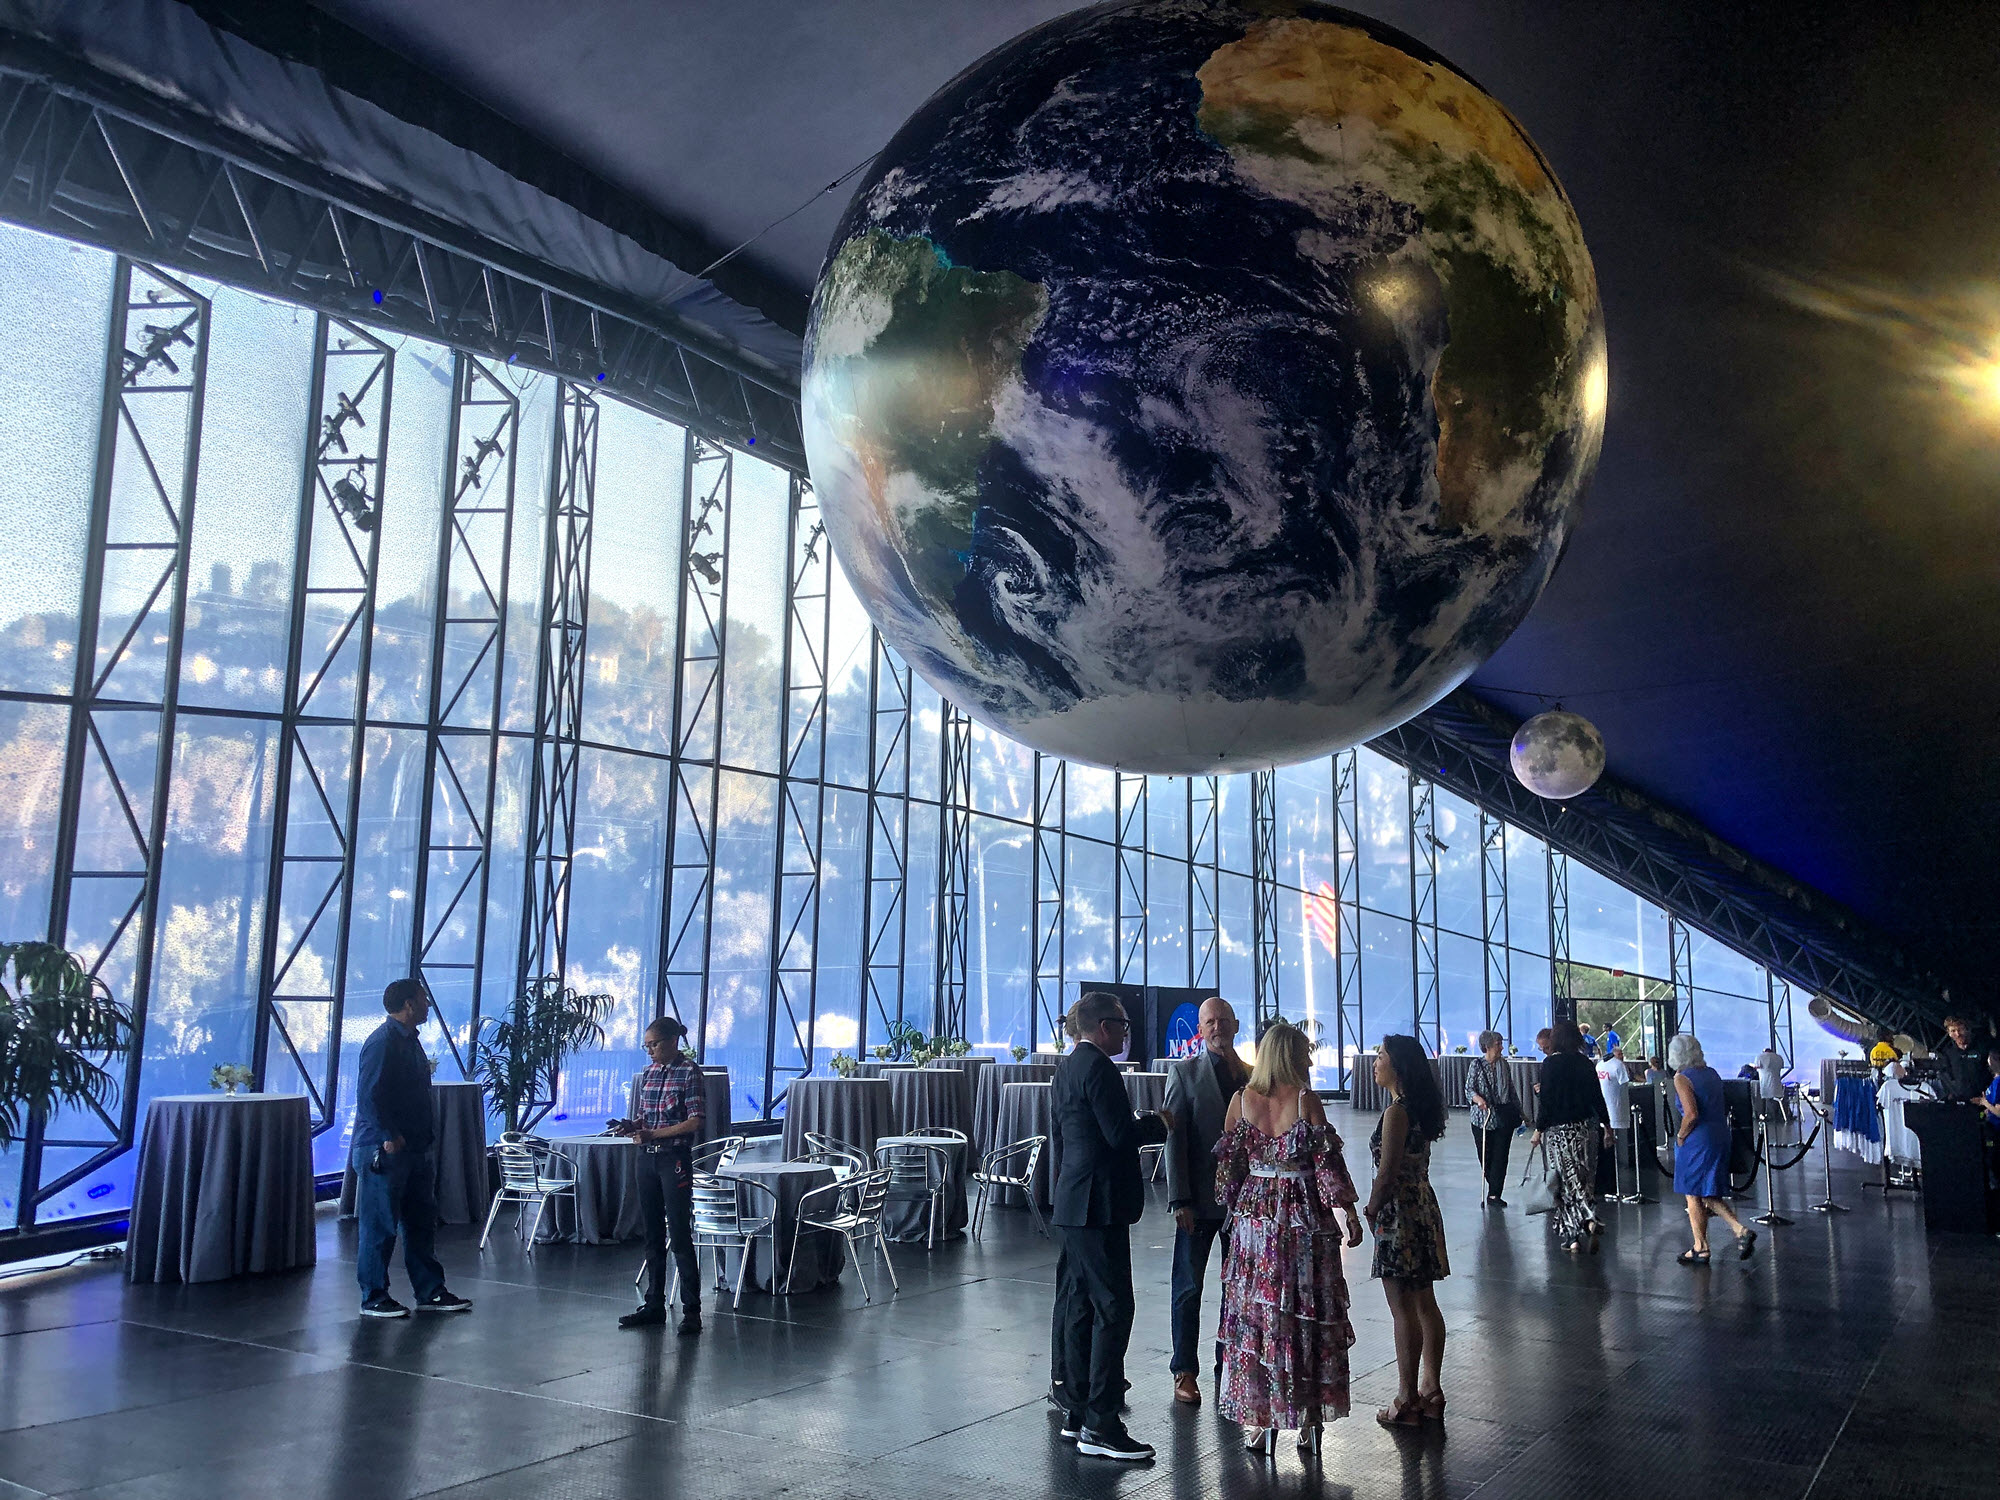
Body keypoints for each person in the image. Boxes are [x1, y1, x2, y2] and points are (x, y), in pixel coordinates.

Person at [1214, 1021, 1362, 1458]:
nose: (1310, 1061)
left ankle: (1261, 1420)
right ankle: (1308, 1419)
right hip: (1301, 1222)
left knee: (1260, 1320)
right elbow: (1328, 1167)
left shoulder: (1241, 1102)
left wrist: (1236, 1209)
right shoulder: (1305, 1100)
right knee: (1305, 1315)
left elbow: (1228, 1171)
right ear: (1289, 1056)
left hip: (1256, 1221)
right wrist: (1349, 1212)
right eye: (1304, 1053)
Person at [1050, 991, 1174, 1461]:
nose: (1127, 1031)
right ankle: (1101, 1421)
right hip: (1098, 1205)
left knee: (1081, 1307)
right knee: (1115, 1307)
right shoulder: (1100, 1068)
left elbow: (1064, 1136)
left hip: (1074, 1201)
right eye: (1122, 1024)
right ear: (1102, 1026)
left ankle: (1078, 1411)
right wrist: (1158, 1122)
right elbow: (1120, 1136)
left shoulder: (1067, 1067)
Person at [352, 978, 472, 1319]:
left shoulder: (409, 1041)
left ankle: (430, 1291)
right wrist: (388, 1134)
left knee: (421, 1222)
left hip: (414, 1149)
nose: (427, 1005)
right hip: (385, 1150)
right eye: (423, 999)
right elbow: (368, 1095)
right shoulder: (383, 1042)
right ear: (408, 1004)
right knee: (380, 1225)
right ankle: (373, 1295)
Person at [1163, 996, 1247, 1405]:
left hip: (1244, 1205)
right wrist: (1179, 1199)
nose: (1217, 1027)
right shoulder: (1184, 1074)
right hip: (1197, 1201)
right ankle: (1184, 1370)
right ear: (1201, 1028)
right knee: (1188, 1287)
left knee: (1238, 1288)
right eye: (1209, 1021)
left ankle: (1228, 1361)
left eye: (1223, 1020)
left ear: (1235, 1024)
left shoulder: (1252, 1076)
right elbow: (1173, 1141)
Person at [1364, 1035, 1449, 1428]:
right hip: (1422, 1206)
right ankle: (1431, 1388)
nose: (1375, 1062)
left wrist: (1372, 1206)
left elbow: (1388, 1172)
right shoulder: (1418, 1108)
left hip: (1399, 1213)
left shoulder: (1396, 1113)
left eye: (1380, 1056)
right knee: (1425, 1302)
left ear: (1397, 1065)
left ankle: (1406, 1396)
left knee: (1401, 1308)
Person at [613, 1015, 706, 1334]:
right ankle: (654, 1303)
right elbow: (646, 1116)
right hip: (646, 1159)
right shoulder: (649, 1073)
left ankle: (692, 1310)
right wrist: (634, 1127)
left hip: (673, 1159)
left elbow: (695, 1121)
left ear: (671, 1042)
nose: (649, 1051)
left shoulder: (689, 1072)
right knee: (651, 1233)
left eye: (653, 1045)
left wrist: (656, 1134)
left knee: (679, 1233)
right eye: (646, 1046)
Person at [1669, 1033, 1756, 1264]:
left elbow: (1691, 1114)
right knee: (1708, 1192)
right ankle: (1739, 1230)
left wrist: (1680, 1135)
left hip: (1698, 1139)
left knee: (1693, 1194)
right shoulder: (1711, 1073)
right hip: (1719, 1134)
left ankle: (1701, 1246)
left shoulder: (1681, 1078)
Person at [1531, 1019, 1612, 1254]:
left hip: (1559, 1132)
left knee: (1563, 1183)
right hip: (1587, 1130)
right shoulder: (1585, 1064)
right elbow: (1597, 1097)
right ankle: (1589, 1218)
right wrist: (1607, 1126)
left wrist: (1538, 1130)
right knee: (1584, 1181)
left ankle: (1572, 1236)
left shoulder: (1550, 1065)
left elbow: (1546, 1103)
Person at [1465, 1031, 1520, 1206]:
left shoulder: (1504, 1065)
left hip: (1503, 1116)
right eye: (1498, 1043)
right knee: (1486, 1156)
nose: (1501, 1047)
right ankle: (1492, 1183)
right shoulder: (1476, 1065)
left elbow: (1510, 1089)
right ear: (1487, 1046)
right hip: (1482, 1119)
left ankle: (1495, 1194)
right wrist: (1478, 1099)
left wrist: (1520, 1110)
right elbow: (1469, 1089)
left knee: (1501, 1156)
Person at [1595, 1046, 1633, 1199]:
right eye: (1620, 1053)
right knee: (1609, 1146)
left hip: (1613, 1110)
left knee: (1610, 1145)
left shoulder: (1608, 1065)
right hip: (1612, 1110)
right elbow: (1625, 1084)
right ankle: (1610, 1182)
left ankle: (1612, 1183)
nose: (1622, 1056)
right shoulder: (1612, 1065)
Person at [1934, 1015, 1990, 1102]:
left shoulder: (1983, 1048)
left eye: (1960, 1030)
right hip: (1961, 1102)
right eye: (1953, 1031)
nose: (1957, 1034)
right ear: (1949, 1033)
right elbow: (1947, 1076)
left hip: (1984, 1101)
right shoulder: (1949, 1053)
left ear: (1967, 1029)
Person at [1753, 1042, 1789, 1127]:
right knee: (1776, 1098)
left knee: (1767, 1098)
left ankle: (1769, 1116)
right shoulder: (1779, 1057)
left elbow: (1756, 1066)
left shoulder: (1760, 1057)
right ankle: (1778, 1115)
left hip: (1765, 1081)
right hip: (1777, 1082)